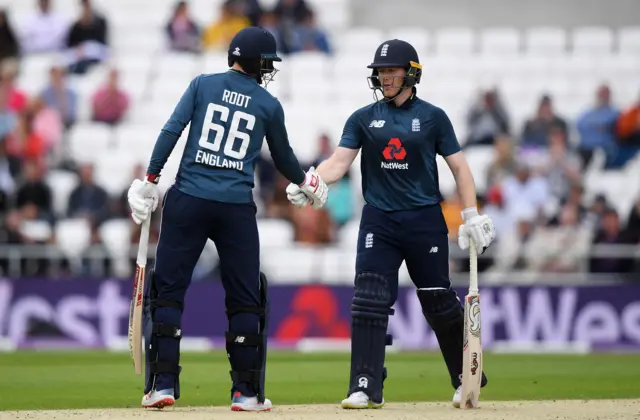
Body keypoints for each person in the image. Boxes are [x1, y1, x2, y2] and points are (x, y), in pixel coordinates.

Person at [286, 39, 496, 409]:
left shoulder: (433, 117)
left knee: (438, 301)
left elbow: (460, 167)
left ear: (411, 73)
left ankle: (467, 376)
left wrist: (470, 215)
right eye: (380, 71)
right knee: (368, 300)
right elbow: (338, 162)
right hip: (379, 221)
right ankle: (365, 385)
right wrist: (311, 181)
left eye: (392, 70)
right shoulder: (363, 118)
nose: (385, 77)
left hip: (424, 220)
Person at [126, 26, 328, 411]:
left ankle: (163, 385)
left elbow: (171, 131)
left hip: (187, 199)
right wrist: (307, 180)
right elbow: (283, 157)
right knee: (244, 300)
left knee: (168, 293)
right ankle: (246, 393)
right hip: (235, 207)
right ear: (256, 62)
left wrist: (151, 180)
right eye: (267, 61)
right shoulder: (268, 104)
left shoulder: (202, 84)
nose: (269, 68)